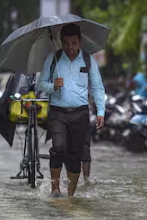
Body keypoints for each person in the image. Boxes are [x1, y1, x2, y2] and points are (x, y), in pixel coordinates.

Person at [37, 23, 106, 197]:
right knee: (58, 147)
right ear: (61, 42)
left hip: (80, 113)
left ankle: (70, 196)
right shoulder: (52, 59)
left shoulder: (89, 60)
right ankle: (55, 189)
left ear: (79, 42)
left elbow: (97, 87)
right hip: (58, 112)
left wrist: (100, 112)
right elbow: (41, 84)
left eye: (73, 43)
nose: (70, 47)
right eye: (66, 43)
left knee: (75, 154)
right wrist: (54, 86)